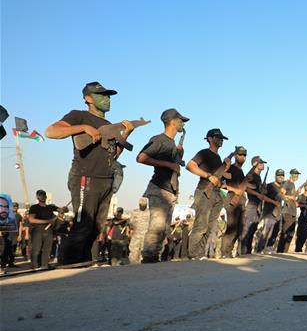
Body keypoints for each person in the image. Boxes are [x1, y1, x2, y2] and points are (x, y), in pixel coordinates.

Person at [45, 81, 135, 265]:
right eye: (102, 95)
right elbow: (51, 131)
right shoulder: (78, 115)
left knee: (96, 227)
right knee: (83, 225)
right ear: (88, 98)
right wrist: (84, 127)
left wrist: (125, 136)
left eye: (108, 96)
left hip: (105, 179)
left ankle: (83, 263)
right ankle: (67, 264)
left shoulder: (109, 125)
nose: (107, 99)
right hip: (86, 177)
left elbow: (113, 155)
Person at [136, 108, 188, 263]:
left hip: (170, 191)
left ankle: (154, 259)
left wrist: (179, 155)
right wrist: (169, 165)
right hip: (158, 188)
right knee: (156, 227)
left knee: (164, 229)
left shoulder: (172, 143)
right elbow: (141, 157)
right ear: (172, 121)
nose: (182, 124)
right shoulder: (160, 139)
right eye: (180, 120)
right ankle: (148, 259)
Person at [186, 128, 229, 259]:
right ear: (210, 139)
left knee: (210, 227)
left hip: (216, 194)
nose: (221, 140)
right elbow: (190, 165)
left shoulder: (218, 157)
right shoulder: (204, 153)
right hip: (205, 191)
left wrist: (225, 167)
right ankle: (193, 254)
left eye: (222, 138)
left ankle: (200, 254)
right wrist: (208, 176)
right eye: (218, 137)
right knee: (201, 225)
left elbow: (219, 179)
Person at [221, 146, 249, 258]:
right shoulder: (230, 168)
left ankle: (229, 252)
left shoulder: (241, 171)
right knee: (231, 227)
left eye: (244, 155)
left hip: (241, 201)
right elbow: (220, 183)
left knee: (239, 229)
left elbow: (242, 187)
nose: (242, 157)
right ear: (235, 156)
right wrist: (234, 190)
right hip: (232, 199)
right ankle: (224, 253)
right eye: (240, 154)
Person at [26, 190, 59, 269]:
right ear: (37, 197)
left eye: (44, 195)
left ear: (46, 197)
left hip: (49, 232)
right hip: (37, 231)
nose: (43, 197)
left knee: (47, 250)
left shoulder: (50, 207)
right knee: (36, 249)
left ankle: (45, 265)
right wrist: (47, 221)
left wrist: (63, 209)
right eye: (40, 195)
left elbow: (61, 210)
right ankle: (35, 266)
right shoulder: (34, 207)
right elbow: (31, 219)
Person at [240, 156, 266, 255]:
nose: (262, 164)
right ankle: (242, 252)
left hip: (258, 206)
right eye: (260, 162)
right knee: (246, 230)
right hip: (252, 205)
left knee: (252, 229)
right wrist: (257, 194)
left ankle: (248, 252)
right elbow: (245, 187)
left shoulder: (258, 177)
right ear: (254, 163)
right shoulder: (251, 174)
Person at [277, 169, 301, 252]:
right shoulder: (286, 182)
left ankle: (285, 251)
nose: (296, 176)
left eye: (297, 174)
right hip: (287, 211)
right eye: (295, 174)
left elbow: (293, 197)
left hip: (293, 211)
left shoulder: (293, 184)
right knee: (285, 231)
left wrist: (296, 196)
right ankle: (280, 251)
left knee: (291, 232)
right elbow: (281, 194)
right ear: (291, 174)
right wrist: (290, 197)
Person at [128, 198, 149, 264]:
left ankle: (142, 266)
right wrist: (131, 232)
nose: (142, 206)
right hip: (136, 235)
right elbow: (131, 223)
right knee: (134, 251)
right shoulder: (134, 212)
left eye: (144, 205)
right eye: (141, 205)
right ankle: (133, 265)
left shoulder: (150, 212)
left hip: (146, 235)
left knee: (144, 252)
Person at [295, 181, 307, 253]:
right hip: (302, 217)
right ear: (304, 187)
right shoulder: (301, 196)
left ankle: (300, 248)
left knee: (305, 235)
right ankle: (297, 249)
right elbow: (296, 204)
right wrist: (304, 206)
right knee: (300, 233)